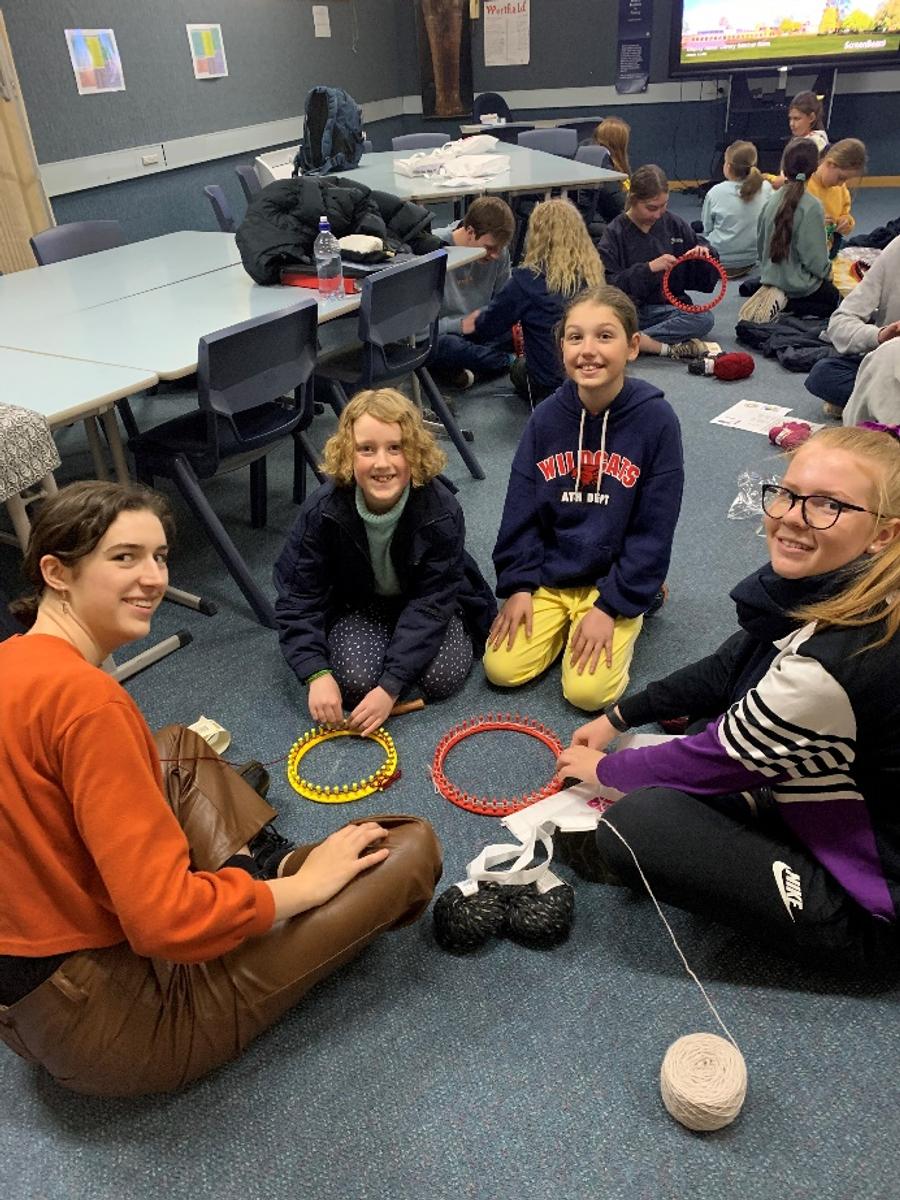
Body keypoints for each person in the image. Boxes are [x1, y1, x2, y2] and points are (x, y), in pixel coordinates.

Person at [0, 481, 441, 1096]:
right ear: (56, 573)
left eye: (159, 557)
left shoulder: (12, 660)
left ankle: (259, 870)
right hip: (118, 1024)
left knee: (175, 745)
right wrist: (304, 889)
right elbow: (164, 924)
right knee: (408, 848)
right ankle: (272, 879)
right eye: (124, 557)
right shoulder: (91, 703)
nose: (154, 578)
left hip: (32, 998)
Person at [555, 426, 900, 968]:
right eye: (788, 493)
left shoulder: (835, 663)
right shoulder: (838, 583)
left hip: (874, 904)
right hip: (841, 788)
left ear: (882, 535)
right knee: (706, 720)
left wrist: (603, 769)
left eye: (828, 505)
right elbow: (729, 665)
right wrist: (619, 714)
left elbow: (715, 756)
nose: (792, 517)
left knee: (639, 821)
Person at [483, 285, 684, 711]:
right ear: (562, 348)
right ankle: (573, 620)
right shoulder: (545, 419)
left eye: (604, 336)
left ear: (632, 346)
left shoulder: (657, 421)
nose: (588, 350)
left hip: (611, 578)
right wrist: (518, 585)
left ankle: (642, 600)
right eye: (575, 337)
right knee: (501, 670)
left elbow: (654, 528)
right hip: (550, 575)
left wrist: (611, 606)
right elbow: (520, 510)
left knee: (588, 694)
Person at [274, 388, 496, 732]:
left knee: (442, 677)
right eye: (366, 449)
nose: (382, 463)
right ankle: (387, 667)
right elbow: (297, 597)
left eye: (396, 447)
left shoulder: (442, 511)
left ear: (415, 451)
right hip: (360, 604)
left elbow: (431, 603)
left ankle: (406, 665)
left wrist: (390, 686)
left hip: (425, 602)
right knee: (353, 682)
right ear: (347, 453)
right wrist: (315, 672)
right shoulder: (323, 511)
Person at [466, 198, 605, 406]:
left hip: (551, 384)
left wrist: (472, 323)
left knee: (515, 364)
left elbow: (489, 326)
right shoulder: (594, 274)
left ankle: (473, 369)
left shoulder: (527, 279)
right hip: (596, 374)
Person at [598, 164, 716, 360]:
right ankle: (642, 341)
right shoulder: (615, 232)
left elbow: (701, 265)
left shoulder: (673, 223)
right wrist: (648, 269)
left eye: (664, 205)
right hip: (631, 311)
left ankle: (632, 342)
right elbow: (608, 285)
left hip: (666, 309)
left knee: (704, 318)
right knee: (604, 319)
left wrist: (703, 255)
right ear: (633, 200)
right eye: (651, 208)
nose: (658, 214)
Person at [740, 138, 840, 324]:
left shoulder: (771, 200)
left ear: (783, 168)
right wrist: (828, 274)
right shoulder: (813, 206)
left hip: (770, 277)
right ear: (815, 168)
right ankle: (788, 304)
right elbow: (815, 260)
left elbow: (761, 245)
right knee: (834, 299)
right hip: (799, 286)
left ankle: (775, 295)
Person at [805, 235, 900, 420]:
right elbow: (841, 321)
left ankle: (872, 404)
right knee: (824, 373)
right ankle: (881, 405)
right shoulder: (896, 250)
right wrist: (879, 336)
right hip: (887, 368)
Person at [428, 195, 516, 388]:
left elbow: (504, 303)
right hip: (446, 331)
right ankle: (508, 363)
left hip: (482, 325)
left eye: (499, 249)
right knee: (445, 347)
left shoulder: (499, 252)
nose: (495, 255)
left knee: (527, 323)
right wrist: (459, 325)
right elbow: (417, 330)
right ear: (469, 231)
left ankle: (471, 370)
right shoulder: (431, 247)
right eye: (489, 248)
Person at [700, 140, 772, 277]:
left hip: (719, 259)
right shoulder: (766, 188)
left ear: (727, 166)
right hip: (752, 258)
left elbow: (707, 228)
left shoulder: (715, 192)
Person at [807, 138, 867, 258]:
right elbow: (787, 222)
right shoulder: (803, 185)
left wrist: (846, 221)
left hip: (827, 252)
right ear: (830, 164)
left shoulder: (841, 190)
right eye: (841, 178)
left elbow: (845, 213)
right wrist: (813, 223)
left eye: (845, 180)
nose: (841, 184)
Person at [587, 116, 631, 223]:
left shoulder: (591, 155)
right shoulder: (606, 169)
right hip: (603, 222)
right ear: (619, 144)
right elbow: (619, 205)